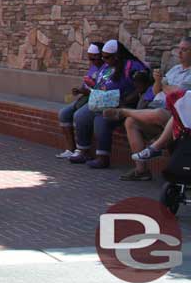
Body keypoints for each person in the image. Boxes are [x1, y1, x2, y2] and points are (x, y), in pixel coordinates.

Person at [114, 37, 191, 180]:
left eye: (184, 50)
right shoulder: (175, 69)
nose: (180, 53)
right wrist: (158, 81)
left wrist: (164, 85)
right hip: (156, 107)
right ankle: (141, 170)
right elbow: (157, 92)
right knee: (130, 122)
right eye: (179, 49)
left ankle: (124, 111)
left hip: (174, 114)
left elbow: (176, 94)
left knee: (158, 113)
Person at [69, 39, 137, 169]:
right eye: (103, 57)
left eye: (106, 57)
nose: (103, 60)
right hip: (101, 101)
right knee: (80, 116)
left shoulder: (131, 65)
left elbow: (141, 87)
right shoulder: (106, 67)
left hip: (118, 104)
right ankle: (84, 151)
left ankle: (103, 157)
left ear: (117, 55)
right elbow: (100, 84)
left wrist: (126, 100)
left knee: (101, 119)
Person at [56, 42, 105, 158]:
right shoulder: (93, 67)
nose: (92, 61)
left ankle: (83, 150)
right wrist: (79, 90)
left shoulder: (107, 70)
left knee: (79, 116)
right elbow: (87, 84)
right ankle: (70, 149)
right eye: (89, 58)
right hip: (87, 97)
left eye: (94, 58)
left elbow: (105, 90)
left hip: (98, 99)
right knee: (64, 113)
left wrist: (89, 91)